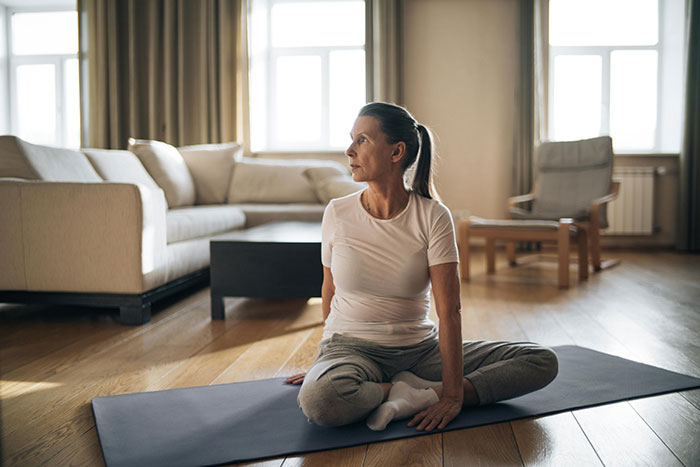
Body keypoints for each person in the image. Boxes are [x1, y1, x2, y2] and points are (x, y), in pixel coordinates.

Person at [285, 102, 558, 432]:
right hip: (350, 348)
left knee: (541, 361)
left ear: (396, 151)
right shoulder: (337, 213)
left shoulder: (432, 216)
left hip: (419, 352)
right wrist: (323, 362)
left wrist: (453, 397)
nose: (349, 150)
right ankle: (408, 393)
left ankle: (416, 391)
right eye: (352, 140)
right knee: (321, 400)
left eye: (362, 141)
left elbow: (450, 311)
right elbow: (329, 288)